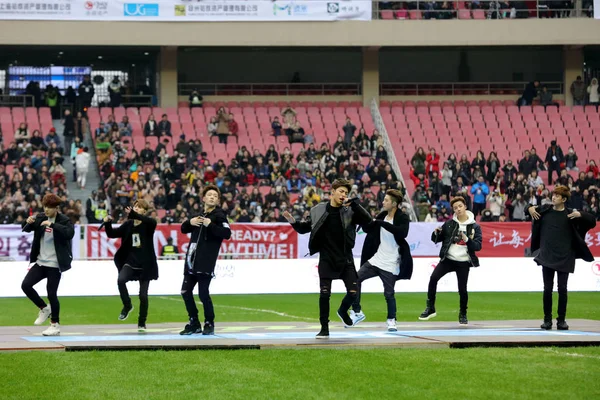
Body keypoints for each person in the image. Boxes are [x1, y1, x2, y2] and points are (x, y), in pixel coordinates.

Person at [283, 179, 372, 338]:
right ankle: (324, 327)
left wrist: (355, 205)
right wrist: (293, 222)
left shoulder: (350, 210)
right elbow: (304, 229)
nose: (343, 195)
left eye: (346, 192)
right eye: (341, 191)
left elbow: (369, 222)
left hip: (346, 258)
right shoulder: (318, 210)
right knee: (324, 294)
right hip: (326, 258)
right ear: (332, 192)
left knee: (353, 292)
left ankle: (343, 311)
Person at [527, 186, 596, 331]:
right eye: (553, 195)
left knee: (563, 289)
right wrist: (530, 209)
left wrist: (580, 215)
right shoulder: (545, 210)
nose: (553, 198)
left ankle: (561, 320)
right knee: (547, 289)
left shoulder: (571, 214)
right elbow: (527, 210)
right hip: (547, 255)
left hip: (565, 256)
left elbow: (592, 221)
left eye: (557, 196)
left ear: (564, 199)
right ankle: (547, 320)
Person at [347, 189, 413, 332]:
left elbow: (402, 233)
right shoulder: (382, 215)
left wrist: (382, 223)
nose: (383, 202)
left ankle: (391, 320)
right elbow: (370, 226)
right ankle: (357, 311)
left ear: (394, 204)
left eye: (386, 200)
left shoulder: (403, 217)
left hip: (391, 262)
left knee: (389, 293)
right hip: (377, 259)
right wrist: (357, 209)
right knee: (356, 280)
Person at [419, 196, 482, 325]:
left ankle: (463, 313)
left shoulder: (475, 227)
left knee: (462, 289)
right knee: (433, 278)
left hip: (464, 261)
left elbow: (478, 246)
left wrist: (467, 239)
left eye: (460, 206)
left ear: (465, 207)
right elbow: (437, 239)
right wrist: (436, 233)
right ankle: (430, 308)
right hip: (448, 259)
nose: (458, 209)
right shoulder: (449, 224)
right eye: (455, 208)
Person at [179, 185, 231, 336]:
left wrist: (211, 225)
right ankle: (194, 322)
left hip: (205, 261)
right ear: (203, 198)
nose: (212, 197)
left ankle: (209, 322)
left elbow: (227, 233)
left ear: (218, 200)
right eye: (209, 195)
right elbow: (183, 229)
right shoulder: (198, 216)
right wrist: (190, 222)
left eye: (215, 195)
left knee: (203, 293)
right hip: (191, 260)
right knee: (185, 291)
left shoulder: (220, 216)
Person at [21, 194, 74, 336]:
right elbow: (25, 229)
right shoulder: (41, 217)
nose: (46, 210)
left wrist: (52, 225)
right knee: (25, 285)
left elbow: (69, 233)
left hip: (55, 264)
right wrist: (28, 221)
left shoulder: (64, 220)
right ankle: (44, 308)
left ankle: (55, 325)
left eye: (49, 208)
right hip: (40, 262)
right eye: (45, 207)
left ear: (56, 208)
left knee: (52, 293)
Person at [103, 200, 158, 332]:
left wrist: (134, 214)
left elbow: (146, 220)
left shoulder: (150, 224)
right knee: (121, 280)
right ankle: (127, 305)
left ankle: (142, 322)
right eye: (135, 207)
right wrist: (107, 223)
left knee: (143, 296)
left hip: (146, 265)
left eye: (139, 208)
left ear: (144, 211)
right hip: (130, 262)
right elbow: (112, 234)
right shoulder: (128, 224)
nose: (136, 209)